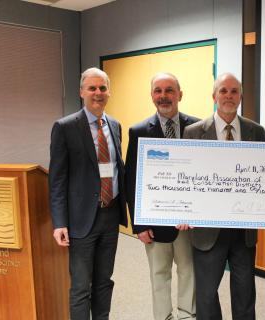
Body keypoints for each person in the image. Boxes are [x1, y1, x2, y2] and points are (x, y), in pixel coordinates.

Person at [182, 73, 265, 320]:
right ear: (214, 96)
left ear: (240, 96)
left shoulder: (256, 131)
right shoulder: (194, 132)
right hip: (207, 229)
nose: (229, 96)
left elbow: (263, 177)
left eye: (234, 91)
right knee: (206, 295)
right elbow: (187, 178)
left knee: (244, 292)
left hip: (243, 229)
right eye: (223, 91)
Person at [49, 67, 128, 320]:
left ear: (109, 92)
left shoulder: (115, 125)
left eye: (102, 88)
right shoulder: (65, 127)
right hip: (81, 219)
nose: (97, 93)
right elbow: (57, 179)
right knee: (81, 286)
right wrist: (59, 222)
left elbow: (117, 169)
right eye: (92, 88)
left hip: (110, 215)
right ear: (82, 91)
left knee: (104, 281)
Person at [125, 73, 199, 320]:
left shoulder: (198, 128)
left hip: (189, 221)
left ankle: (188, 315)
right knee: (159, 274)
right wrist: (139, 225)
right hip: (154, 222)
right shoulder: (138, 131)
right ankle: (163, 317)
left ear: (180, 94)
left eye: (169, 90)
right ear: (152, 96)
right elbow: (131, 180)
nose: (164, 96)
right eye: (158, 91)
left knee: (189, 272)